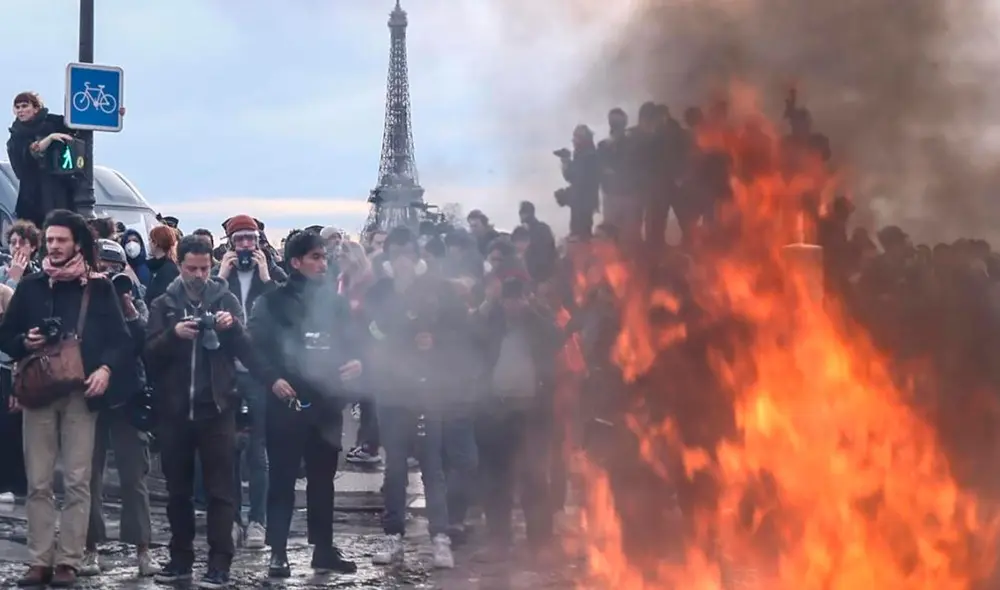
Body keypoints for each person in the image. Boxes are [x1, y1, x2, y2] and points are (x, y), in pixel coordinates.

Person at [0, 209, 131, 588]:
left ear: (77, 243)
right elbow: (6, 336)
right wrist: (26, 342)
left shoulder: (98, 287)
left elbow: (121, 341)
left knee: (77, 481)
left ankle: (69, 561)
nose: (54, 247)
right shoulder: (32, 285)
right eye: (50, 240)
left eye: (61, 240)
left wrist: (105, 369)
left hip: (80, 392)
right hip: (39, 393)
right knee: (38, 482)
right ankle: (39, 559)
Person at [146, 235, 280, 589]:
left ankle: (220, 563)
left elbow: (248, 351)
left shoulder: (225, 298)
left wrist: (232, 327)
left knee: (222, 492)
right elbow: (148, 354)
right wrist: (174, 334)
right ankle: (180, 559)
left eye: (204, 268)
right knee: (178, 491)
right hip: (174, 410)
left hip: (217, 408)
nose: (199, 275)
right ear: (180, 265)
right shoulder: (164, 303)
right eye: (191, 268)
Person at [248, 230, 362, 577]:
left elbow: (354, 343)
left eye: (324, 257)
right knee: (282, 478)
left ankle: (323, 549)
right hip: (287, 402)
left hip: (326, 402)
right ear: (295, 262)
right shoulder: (272, 301)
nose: (322, 263)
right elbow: (254, 348)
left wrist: (357, 362)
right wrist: (272, 379)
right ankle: (278, 551)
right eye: (315, 257)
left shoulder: (336, 303)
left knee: (323, 479)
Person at [366, 227, 479, 569]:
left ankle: (440, 537)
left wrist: (437, 342)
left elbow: (461, 332)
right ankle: (393, 535)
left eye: (408, 253)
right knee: (395, 468)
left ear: (417, 257)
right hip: (390, 391)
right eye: (396, 252)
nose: (402, 260)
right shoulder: (380, 290)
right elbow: (370, 331)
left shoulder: (438, 290)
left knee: (433, 467)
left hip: (428, 391)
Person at [81, 240, 160, 578]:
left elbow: (145, 344)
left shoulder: (135, 298)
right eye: (103, 266)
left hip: (127, 397)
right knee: (88, 478)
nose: (109, 273)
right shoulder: (82, 298)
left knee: (134, 478)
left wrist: (128, 306)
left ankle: (142, 550)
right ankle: (89, 548)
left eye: (116, 267)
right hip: (89, 396)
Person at [214, 214, 286, 549]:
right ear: (230, 243)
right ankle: (232, 519)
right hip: (225, 373)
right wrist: (221, 277)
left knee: (258, 452)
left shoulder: (270, 275)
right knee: (225, 450)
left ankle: (258, 521)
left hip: (258, 374)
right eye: (240, 239)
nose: (246, 246)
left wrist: (266, 277)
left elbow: (286, 316)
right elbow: (202, 307)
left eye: (251, 239)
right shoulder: (219, 274)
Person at [5, 93, 78, 228]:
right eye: (17, 107)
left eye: (24, 106)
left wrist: (114, 113)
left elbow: (81, 125)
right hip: (32, 197)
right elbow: (26, 159)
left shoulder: (55, 122)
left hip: (60, 190)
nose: (20, 110)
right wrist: (49, 139)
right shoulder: (16, 136)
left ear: (36, 108)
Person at [144, 225, 180, 307]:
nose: (148, 244)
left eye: (150, 240)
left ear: (156, 243)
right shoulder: (156, 266)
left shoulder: (168, 270)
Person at [0, 219, 42, 289]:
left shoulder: (39, 276)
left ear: (32, 247)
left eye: (22, 243)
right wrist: (13, 280)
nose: (17, 246)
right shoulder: (1, 273)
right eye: (13, 243)